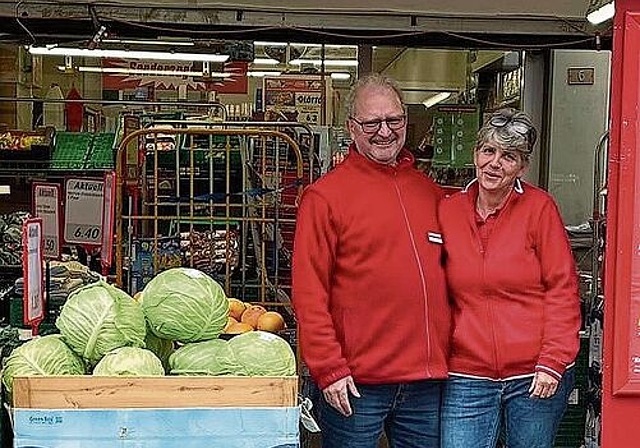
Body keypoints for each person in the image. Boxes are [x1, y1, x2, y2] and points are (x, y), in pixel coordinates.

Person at [291, 73, 451, 448]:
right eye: (371, 123)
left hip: (426, 381)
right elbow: (308, 293)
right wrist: (328, 369)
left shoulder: (431, 194)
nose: (384, 131)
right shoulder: (325, 197)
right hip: (355, 383)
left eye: (394, 120)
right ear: (351, 128)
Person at [438, 108, 582, 448]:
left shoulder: (540, 208)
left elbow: (563, 289)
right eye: (488, 151)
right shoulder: (449, 210)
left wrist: (552, 361)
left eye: (509, 156)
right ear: (475, 154)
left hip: (534, 372)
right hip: (467, 372)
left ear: (522, 167)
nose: (494, 163)